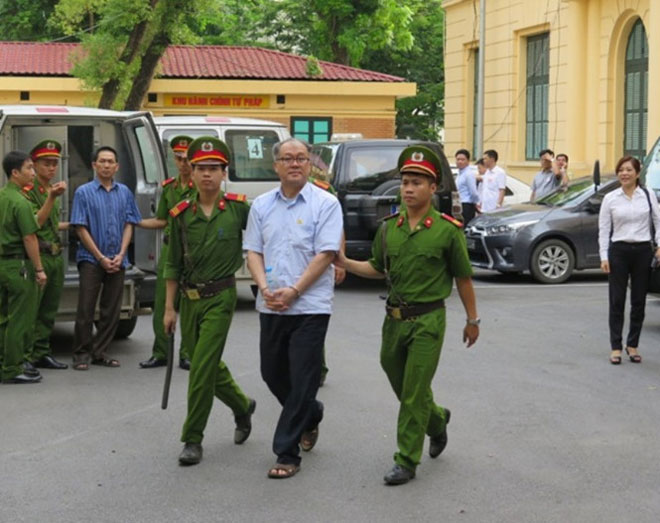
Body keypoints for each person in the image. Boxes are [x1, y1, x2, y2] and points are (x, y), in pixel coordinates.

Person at [337, 145, 480, 486]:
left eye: (417, 182)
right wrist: (343, 262)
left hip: (429, 320)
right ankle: (437, 420)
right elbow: (376, 268)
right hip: (394, 320)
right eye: (405, 182)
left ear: (433, 188)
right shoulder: (389, 229)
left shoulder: (447, 230)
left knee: (414, 391)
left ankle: (406, 460)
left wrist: (472, 320)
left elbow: (463, 278)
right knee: (399, 381)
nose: (409, 188)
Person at [244, 137, 343, 479]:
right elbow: (253, 251)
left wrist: (296, 290)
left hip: (310, 306)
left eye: (301, 158)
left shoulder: (326, 203)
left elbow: (326, 254)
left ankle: (286, 453)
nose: (295, 164)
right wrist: (266, 288)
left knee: (303, 378)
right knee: (272, 373)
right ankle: (311, 413)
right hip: (271, 303)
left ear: (309, 164)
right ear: (276, 166)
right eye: (287, 159)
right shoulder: (261, 205)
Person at [163, 136, 256, 466]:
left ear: (224, 172)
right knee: (208, 363)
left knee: (200, 368)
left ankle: (192, 438)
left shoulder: (238, 209)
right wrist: (169, 307)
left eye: (213, 168)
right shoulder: (181, 213)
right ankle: (242, 405)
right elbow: (171, 261)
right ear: (191, 171)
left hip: (220, 296)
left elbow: (264, 240)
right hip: (188, 300)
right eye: (201, 168)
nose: (207, 175)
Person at [69, 146, 142, 370]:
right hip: (91, 259)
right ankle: (81, 354)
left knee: (112, 309)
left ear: (117, 166)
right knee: (86, 308)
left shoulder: (125, 192)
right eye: (102, 161)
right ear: (94, 165)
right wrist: (100, 257)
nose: (107, 165)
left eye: (111, 161)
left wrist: (121, 254)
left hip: (118, 259)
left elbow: (130, 223)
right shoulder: (83, 192)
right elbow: (80, 228)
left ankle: (100, 352)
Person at [139, 135, 194, 370]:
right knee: (162, 305)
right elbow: (161, 220)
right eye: (178, 158)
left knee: (190, 307)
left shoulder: (201, 187)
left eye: (186, 158)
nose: (183, 163)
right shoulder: (169, 187)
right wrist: (135, 222)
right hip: (171, 252)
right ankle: (161, 352)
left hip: (192, 254)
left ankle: (187, 353)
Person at [598, 156, 660, 365]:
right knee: (616, 301)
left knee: (639, 301)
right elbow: (604, 230)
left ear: (637, 173)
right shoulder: (611, 198)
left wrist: (659, 245)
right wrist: (604, 256)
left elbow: (658, 222)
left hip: (643, 251)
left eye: (628, 170)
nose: (624, 174)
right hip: (619, 251)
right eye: (621, 170)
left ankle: (632, 344)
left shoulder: (648, 195)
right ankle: (616, 347)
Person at [0, 151, 48, 384]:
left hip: (2, 264)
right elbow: (30, 237)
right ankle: (13, 367)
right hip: (18, 266)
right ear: (15, 173)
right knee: (20, 319)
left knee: (3, 318)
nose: (33, 172)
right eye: (29, 168)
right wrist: (39, 269)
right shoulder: (20, 201)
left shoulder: (2, 197)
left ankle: (3, 362)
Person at [23, 140, 69, 371]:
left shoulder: (48, 190)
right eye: (46, 163)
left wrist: (70, 225)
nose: (52, 168)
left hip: (55, 256)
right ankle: (26, 355)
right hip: (38, 257)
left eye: (54, 164)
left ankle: (42, 352)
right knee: (32, 309)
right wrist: (51, 198)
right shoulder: (30, 192)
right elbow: (35, 223)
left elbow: (50, 224)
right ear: (34, 165)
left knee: (49, 309)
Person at [307, 173, 346, 386]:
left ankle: (318, 367)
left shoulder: (322, 190)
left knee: (313, 316)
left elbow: (337, 227)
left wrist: (340, 261)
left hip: (320, 262)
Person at [455, 149, 479, 224]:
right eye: (458, 159)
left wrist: (476, 204)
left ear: (468, 161)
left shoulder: (469, 174)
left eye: (463, 159)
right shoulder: (459, 174)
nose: (460, 161)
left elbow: (473, 192)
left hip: (467, 205)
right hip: (460, 205)